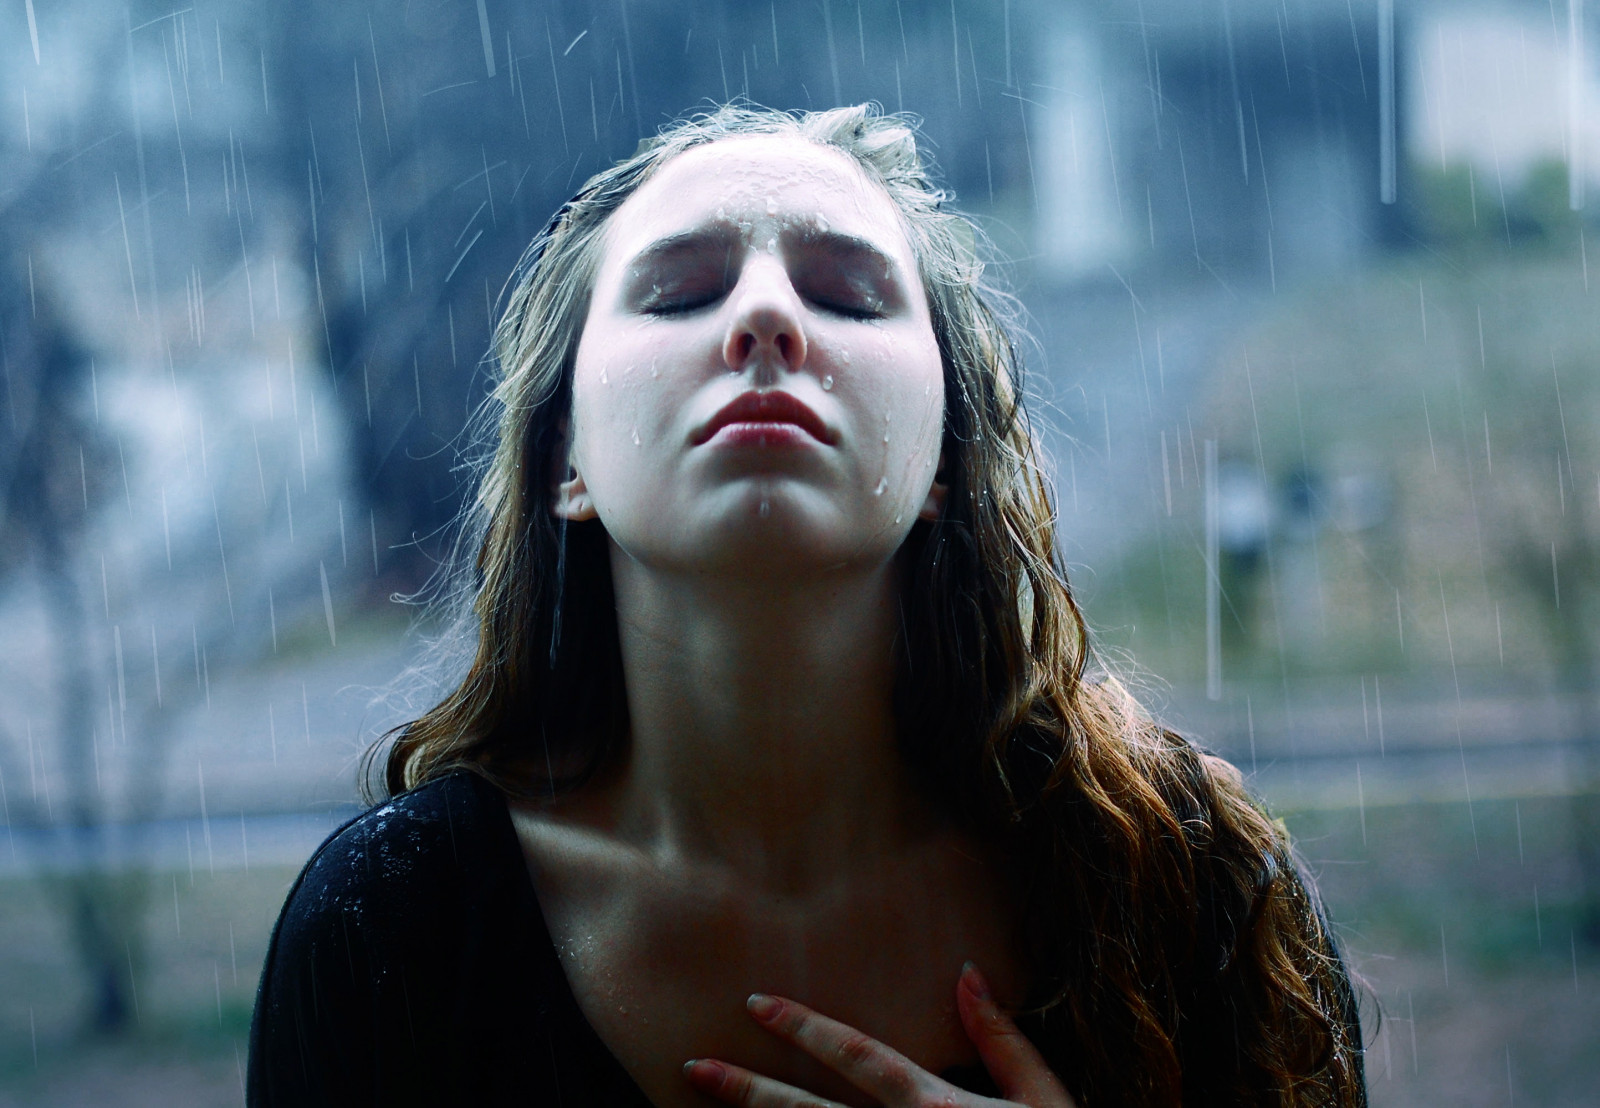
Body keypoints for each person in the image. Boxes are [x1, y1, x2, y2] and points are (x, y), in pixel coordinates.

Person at [247, 103, 1368, 1108]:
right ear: (563, 460)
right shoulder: (395, 929)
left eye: (846, 293)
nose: (766, 321)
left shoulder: (1189, 888)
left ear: (943, 457)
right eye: (682, 290)